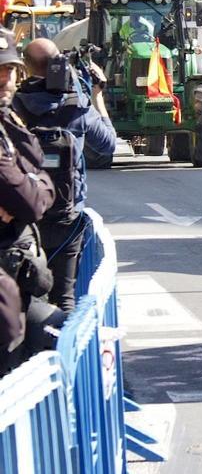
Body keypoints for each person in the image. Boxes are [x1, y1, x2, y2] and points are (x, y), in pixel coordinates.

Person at [14, 38, 117, 313]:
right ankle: (61, 350)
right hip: (67, 219)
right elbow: (108, 145)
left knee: (23, 300)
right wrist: (97, 97)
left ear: (24, 68)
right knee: (65, 298)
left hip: (23, 220)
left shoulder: (14, 108)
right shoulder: (77, 107)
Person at [0, 27, 58, 370]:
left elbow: (41, 176)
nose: (5, 80)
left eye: (8, 71)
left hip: (21, 273)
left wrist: (34, 183)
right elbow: (27, 201)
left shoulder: (9, 119)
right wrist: (34, 185)